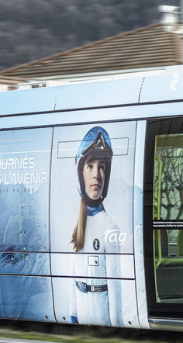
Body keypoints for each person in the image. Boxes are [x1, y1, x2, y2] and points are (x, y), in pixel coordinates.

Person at [69, 126, 122, 327]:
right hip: (82, 312)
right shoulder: (76, 226)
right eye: (90, 166)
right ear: (80, 173)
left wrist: (116, 326)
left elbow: (115, 287)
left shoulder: (110, 227)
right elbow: (71, 277)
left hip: (101, 313)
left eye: (101, 167)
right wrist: (72, 313)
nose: (96, 175)